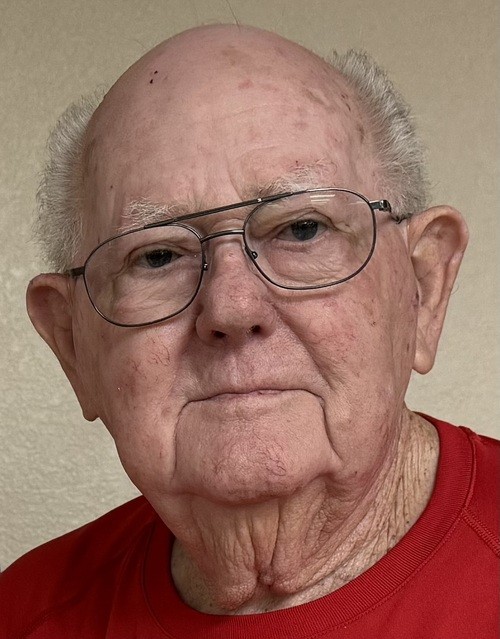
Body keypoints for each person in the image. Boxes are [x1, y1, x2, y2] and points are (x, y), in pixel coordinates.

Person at [0, 23, 498, 639]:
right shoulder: (23, 616)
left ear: (423, 288)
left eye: (301, 230)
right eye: (157, 256)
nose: (231, 308)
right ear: (73, 346)